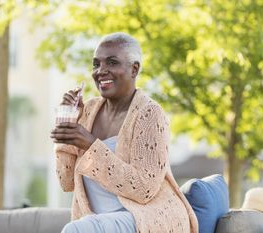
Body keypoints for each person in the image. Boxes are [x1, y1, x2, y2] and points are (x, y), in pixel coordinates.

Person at [50, 32, 198, 233]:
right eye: (96, 64)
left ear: (134, 69)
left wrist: (91, 145)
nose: (101, 71)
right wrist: (67, 123)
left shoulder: (149, 113)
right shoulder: (88, 111)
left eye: (111, 62)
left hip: (145, 219)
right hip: (99, 223)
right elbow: (66, 182)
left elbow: (144, 188)